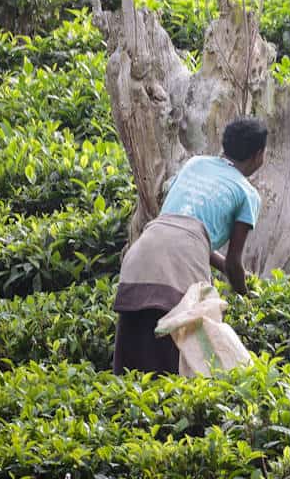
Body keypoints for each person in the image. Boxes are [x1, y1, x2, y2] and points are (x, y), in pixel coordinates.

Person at [112, 117, 267, 375]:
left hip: (143, 250)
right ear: (258, 155)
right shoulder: (247, 193)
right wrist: (245, 294)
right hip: (181, 263)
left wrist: (225, 268)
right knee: (182, 355)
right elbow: (233, 261)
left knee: (134, 352)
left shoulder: (195, 164)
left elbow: (186, 229)